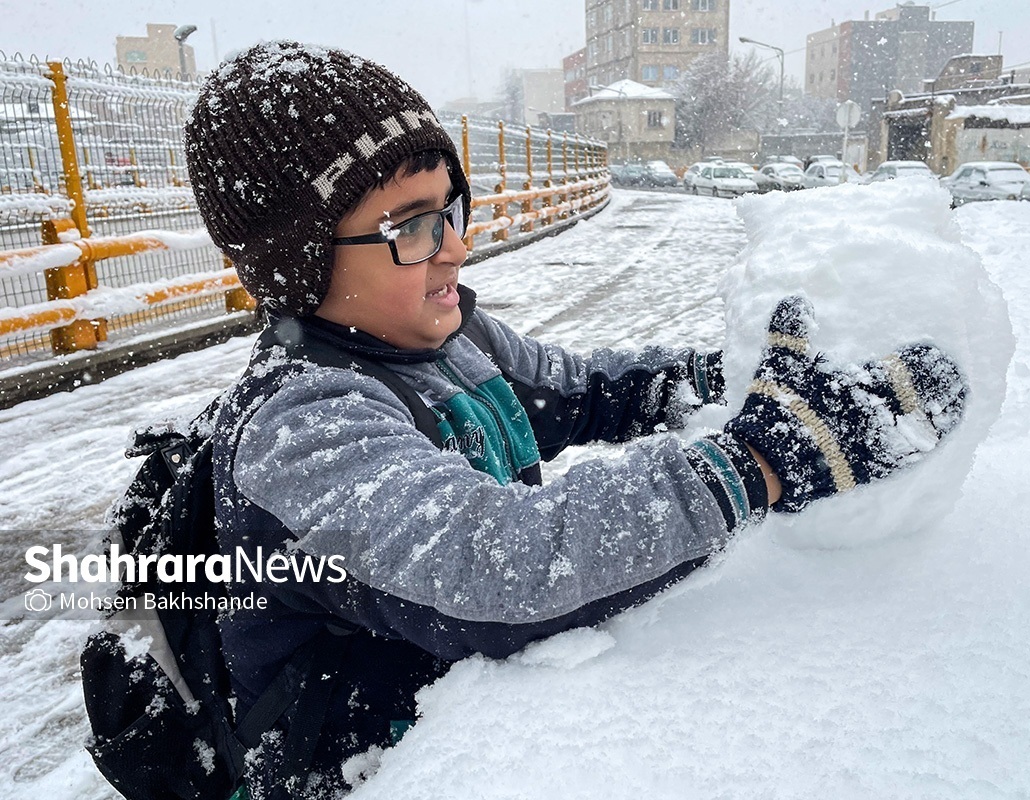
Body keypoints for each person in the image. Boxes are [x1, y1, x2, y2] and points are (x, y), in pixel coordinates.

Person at [184, 41, 967, 800]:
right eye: (411, 227)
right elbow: (499, 568)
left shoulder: (451, 340)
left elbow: (580, 389)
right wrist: (757, 460)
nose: (456, 248)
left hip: (481, 728)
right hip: (375, 772)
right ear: (302, 261)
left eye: (452, 207)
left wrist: (725, 376)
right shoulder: (302, 426)